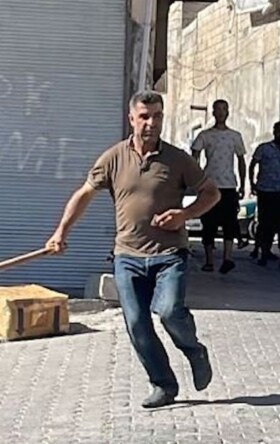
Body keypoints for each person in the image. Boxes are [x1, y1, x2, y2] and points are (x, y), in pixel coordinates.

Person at [45, 91, 220, 408]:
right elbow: (85, 193)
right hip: (128, 258)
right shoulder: (113, 158)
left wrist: (185, 214)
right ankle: (163, 385)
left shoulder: (178, 159)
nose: (151, 123)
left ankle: (194, 350)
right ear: (131, 119)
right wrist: (61, 232)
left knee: (168, 312)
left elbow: (211, 194)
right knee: (137, 323)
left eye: (157, 116)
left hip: (170, 256)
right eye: (145, 116)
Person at [191, 99, 247, 274]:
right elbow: (194, 156)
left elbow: (241, 160)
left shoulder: (235, 136)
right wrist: (196, 180)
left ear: (228, 112)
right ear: (213, 112)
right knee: (209, 223)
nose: (221, 112)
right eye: (218, 109)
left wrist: (243, 184)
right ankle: (209, 260)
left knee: (230, 222)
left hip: (229, 185)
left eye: (224, 109)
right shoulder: (204, 135)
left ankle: (227, 258)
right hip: (209, 185)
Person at [248, 121, 280, 268]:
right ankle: (263, 253)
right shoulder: (264, 149)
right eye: (279, 131)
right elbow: (252, 165)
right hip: (265, 191)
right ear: (274, 132)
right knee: (265, 224)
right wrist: (252, 184)